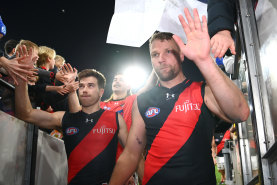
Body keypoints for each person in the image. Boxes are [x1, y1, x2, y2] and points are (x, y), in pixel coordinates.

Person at [109, 8, 249, 185]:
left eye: (168, 51)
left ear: (182, 54)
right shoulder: (142, 100)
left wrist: (204, 60)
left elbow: (241, 113)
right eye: (155, 54)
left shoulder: (202, 91)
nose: (161, 58)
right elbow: (131, 154)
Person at [15, 49, 129, 185]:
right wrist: (21, 74)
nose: (85, 89)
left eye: (91, 86)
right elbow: (25, 114)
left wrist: (125, 176)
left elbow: (133, 153)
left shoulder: (115, 119)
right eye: (81, 86)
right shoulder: (66, 119)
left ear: (101, 92)